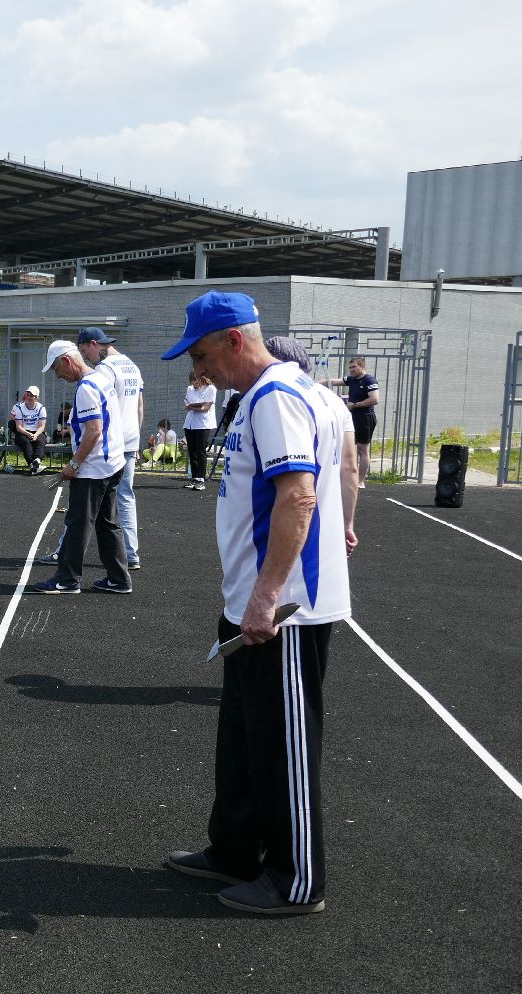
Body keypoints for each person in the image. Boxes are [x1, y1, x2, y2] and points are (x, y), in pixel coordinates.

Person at [160, 291, 350, 916]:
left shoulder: (274, 398)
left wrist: (268, 596)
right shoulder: (265, 396)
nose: (199, 370)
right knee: (242, 739)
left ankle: (297, 881)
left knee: (283, 745)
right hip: (252, 601)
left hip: (284, 609)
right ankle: (235, 850)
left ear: (236, 341)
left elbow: (298, 497)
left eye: (204, 354)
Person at [30, 340, 131, 596]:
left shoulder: (86, 387)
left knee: (78, 523)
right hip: (112, 463)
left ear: (66, 360)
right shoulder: (101, 379)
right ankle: (119, 579)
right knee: (108, 523)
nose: (57, 376)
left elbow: (94, 430)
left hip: (94, 468)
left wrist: (73, 465)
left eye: (56, 369)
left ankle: (66, 579)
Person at [266, 336, 360, 556]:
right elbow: (350, 467)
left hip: (289, 518)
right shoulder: (335, 402)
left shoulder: (282, 397)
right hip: (328, 515)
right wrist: (348, 524)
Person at [78, 327, 143, 570]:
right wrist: (136, 438)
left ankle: (69, 549)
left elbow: (102, 406)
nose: (86, 358)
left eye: (85, 352)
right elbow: (139, 404)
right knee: (125, 497)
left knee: (89, 497)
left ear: (94, 344)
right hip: (129, 439)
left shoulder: (104, 369)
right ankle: (131, 553)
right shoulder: (132, 366)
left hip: (112, 443)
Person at [322, 356, 379, 489]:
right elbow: (333, 381)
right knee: (347, 447)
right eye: (350, 367)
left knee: (362, 449)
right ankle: (347, 477)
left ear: (362, 367)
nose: (352, 370)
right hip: (352, 417)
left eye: (354, 367)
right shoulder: (351, 379)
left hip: (365, 417)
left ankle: (360, 481)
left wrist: (355, 405)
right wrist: (313, 383)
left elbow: (374, 399)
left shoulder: (369, 380)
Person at [183, 371, 218, 490]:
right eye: (192, 382)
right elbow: (187, 404)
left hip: (203, 424)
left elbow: (205, 408)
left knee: (200, 451)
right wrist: (196, 406)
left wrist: (193, 407)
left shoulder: (211, 389)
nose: (194, 384)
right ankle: (194, 478)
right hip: (190, 424)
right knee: (192, 451)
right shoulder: (190, 389)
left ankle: (201, 479)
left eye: (196, 381)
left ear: (202, 379)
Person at [9, 385, 47, 472]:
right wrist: (28, 434)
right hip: (23, 431)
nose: (29, 397)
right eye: (28, 395)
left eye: (31, 396)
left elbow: (42, 426)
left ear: (36, 397)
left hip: (36, 431)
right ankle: (32, 464)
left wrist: (36, 434)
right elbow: (18, 427)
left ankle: (37, 461)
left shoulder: (41, 408)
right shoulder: (19, 407)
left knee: (40, 441)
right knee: (26, 442)